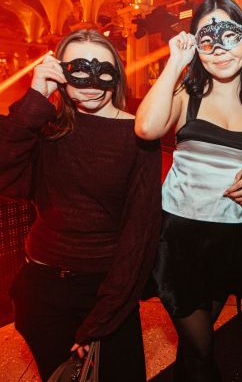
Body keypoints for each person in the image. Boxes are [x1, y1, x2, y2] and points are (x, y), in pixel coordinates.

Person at [0, 29, 161, 381]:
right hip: (42, 287)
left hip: (106, 287)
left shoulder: (139, 134)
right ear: (60, 71)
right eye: (79, 69)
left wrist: (104, 316)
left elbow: (140, 233)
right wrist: (36, 96)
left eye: (102, 70)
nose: (91, 82)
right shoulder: (46, 128)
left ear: (116, 75)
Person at [135, 0, 242, 381]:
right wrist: (176, 61)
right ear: (196, 46)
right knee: (202, 346)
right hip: (181, 243)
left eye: (229, 35)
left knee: (196, 347)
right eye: (207, 39)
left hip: (233, 239)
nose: (219, 48)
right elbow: (146, 128)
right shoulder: (186, 95)